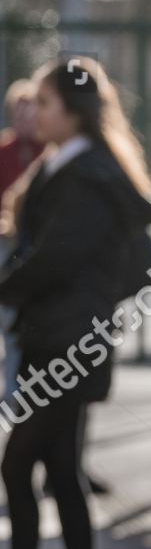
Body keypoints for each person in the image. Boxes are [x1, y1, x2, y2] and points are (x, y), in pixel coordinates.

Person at [0, 56, 151, 549]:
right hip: (55, 342)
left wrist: (86, 309)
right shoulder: (68, 164)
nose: (34, 112)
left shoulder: (88, 173)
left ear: (72, 111)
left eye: (44, 103)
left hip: (68, 349)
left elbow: (57, 259)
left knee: (19, 464)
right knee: (59, 471)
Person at [0, 80, 43, 398]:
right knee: (9, 318)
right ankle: (12, 386)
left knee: (27, 320)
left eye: (30, 111)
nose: (24, 118)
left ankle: (25, 387)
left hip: (36, 245)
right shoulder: (4, 151)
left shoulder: (50, 153)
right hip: (5, 242)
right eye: (19, 111)